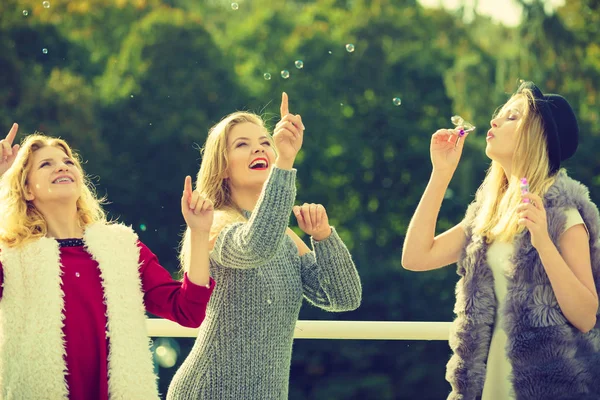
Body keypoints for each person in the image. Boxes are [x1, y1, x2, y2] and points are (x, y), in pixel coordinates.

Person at [402, 81, 600, 399]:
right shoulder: (490, 215)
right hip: (489, 386)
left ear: (537, 137)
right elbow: (416, 257)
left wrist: (543, 243)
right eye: (500, 114)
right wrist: (441, 173)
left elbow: (586, 315)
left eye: (512, 117)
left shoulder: (563, 215)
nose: (494, 121)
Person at [167, 93, 362, 399]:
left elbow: (343, 297)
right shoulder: (214, 223)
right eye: (241, 144)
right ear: (223, 168)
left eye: (264, 141)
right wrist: (285, 161)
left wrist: (325, 237)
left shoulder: (284, 236)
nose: (258, 147)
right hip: (208, 392)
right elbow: (255, 246)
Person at [0, 124, 216, 400]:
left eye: (68, 161)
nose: (62, 167)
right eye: (46, 164)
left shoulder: (122, 246)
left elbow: (188, 312)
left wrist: (199, 232)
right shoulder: (11, 255)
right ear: (27, 190)